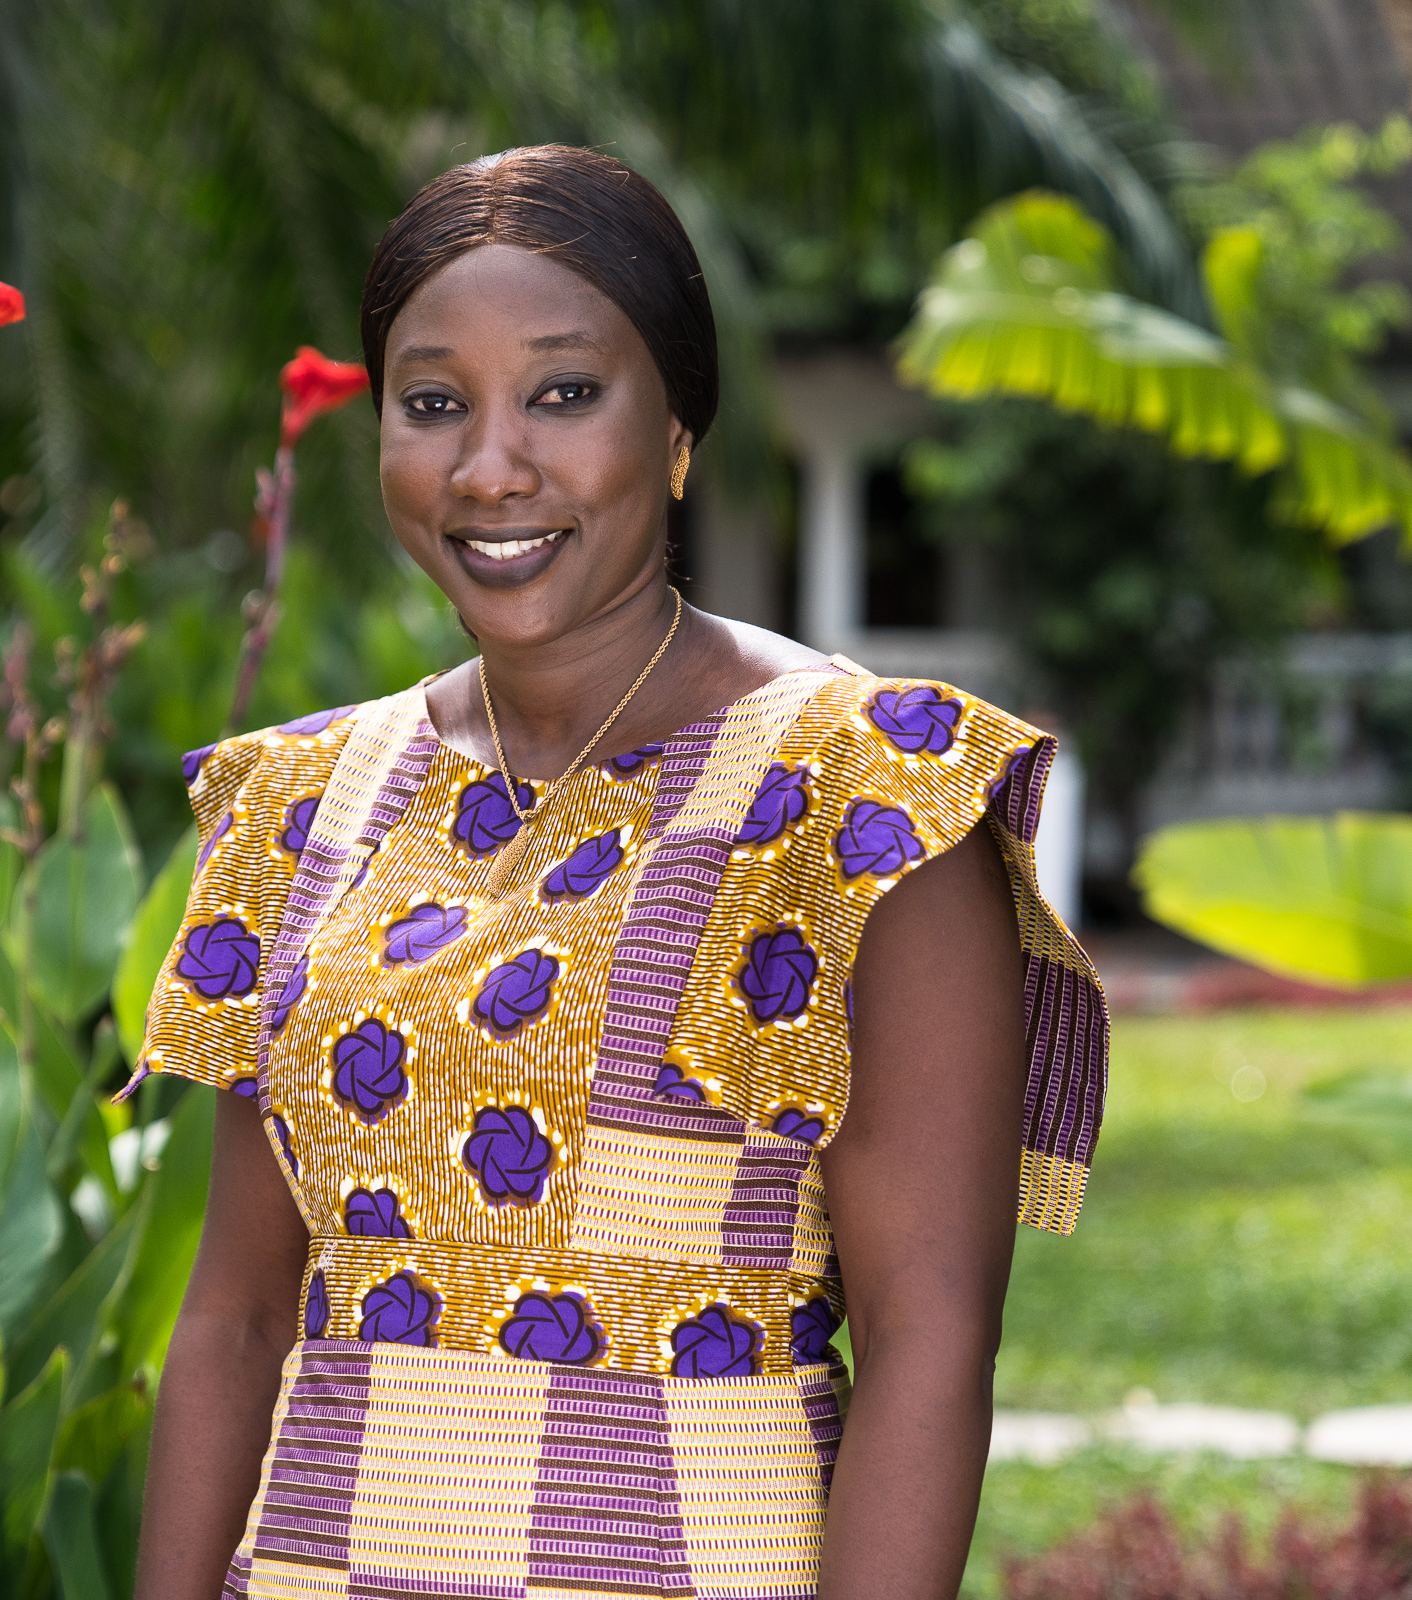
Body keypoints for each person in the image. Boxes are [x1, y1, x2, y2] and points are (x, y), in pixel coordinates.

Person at [127, 144, 1106, 1600]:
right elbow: (236, 1321)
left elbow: (932, 1339)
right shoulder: (296, 803)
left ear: (678, 429)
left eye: (565, 394)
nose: (490, 466)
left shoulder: (863, 793)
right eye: (434, 403)